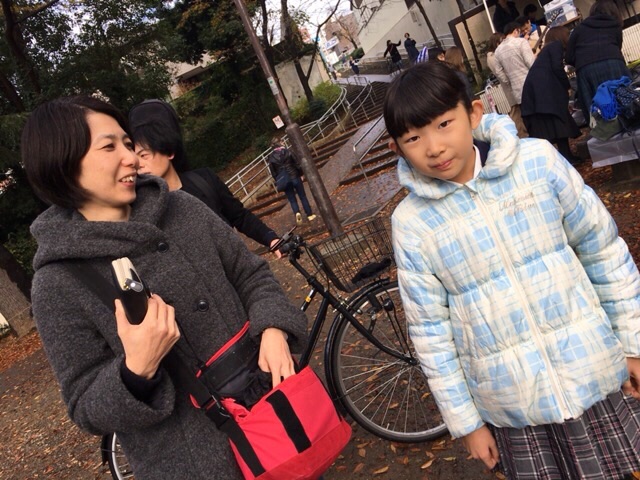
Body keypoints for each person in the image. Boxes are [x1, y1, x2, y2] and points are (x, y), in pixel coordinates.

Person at [22, 96, 309, 480]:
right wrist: (136, 370)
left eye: (128, 143)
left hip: (274, 417)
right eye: (109, 147)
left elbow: (251, 274)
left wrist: (273, 328)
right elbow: (84, 404)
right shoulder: (58, 282)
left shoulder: (183, 209)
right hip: (195, 466)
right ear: (63, 164)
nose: (130, 157)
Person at [383, 61, 640, 480]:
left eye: (444, 124)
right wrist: (467, 423)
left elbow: (603, 251)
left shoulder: (536, 164)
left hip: (593, 371)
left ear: (474, 113)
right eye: (413, 137)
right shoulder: (412, 224)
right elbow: (431, 333)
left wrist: (632, 342)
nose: (433, 147)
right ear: (398, 147)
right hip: (511, 405)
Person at [128, 100, 281, 256]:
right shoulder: (144, 207)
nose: (139, 164)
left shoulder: (204, 181)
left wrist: (271, 239)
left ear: (169, 152)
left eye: (144, 155)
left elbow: (240, 216)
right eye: (135, 157)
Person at [521, 26, 582, 163]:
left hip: (538, 95)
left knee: (554, 126)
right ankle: (566, 157)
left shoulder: (546, 50)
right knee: (558, 124)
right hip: (545, 94)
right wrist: (567, 85)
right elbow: (557, 67)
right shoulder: (555, 46)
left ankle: (565, 157)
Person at [565, 0, 629, 120]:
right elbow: (618, 47)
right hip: (613, 63)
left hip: (586, 70)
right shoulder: (615, 25)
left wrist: (582, 63)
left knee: (594, 111)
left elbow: (569, 57)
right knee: (624, 100)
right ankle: (628, 124)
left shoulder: (579, 28)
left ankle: (602, 129)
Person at [493, 21, 535, 137]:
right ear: (516, 30)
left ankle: (534, 138)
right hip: (531, 84)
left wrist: (508, 80)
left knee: (527, 118)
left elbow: (498, 71)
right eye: (519, 32)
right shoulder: (521, 42)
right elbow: (531, 63)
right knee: (539, 114)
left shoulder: (498, 51)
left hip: (516, 90)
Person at [267, 140, 316, 225]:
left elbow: (273, 173)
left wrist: (279, 180)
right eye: (282, 141)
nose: (283, 142)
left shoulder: (271, 158)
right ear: (280, 143)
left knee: (292, 199)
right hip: (295, 176)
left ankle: (297, 213)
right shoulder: (288, 151)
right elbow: (297, 164)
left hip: (284, 180)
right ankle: (309, 214)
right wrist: (301, 174)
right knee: (302, 196)